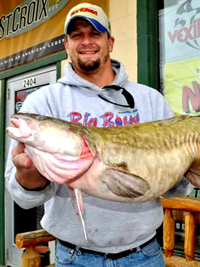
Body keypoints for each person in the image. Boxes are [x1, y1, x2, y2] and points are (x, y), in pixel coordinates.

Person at [5, 3, 190, 267]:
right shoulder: (41, 103)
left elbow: (173, 187)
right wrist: (28, 176)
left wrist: (187, 168)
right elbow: (21, 197)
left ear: (110, 41)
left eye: (95, 34)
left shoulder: (150, 100)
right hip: (73, 257)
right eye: (77, 35)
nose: (86, 42)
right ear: (66, 45)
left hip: (144, 254)